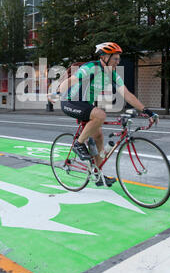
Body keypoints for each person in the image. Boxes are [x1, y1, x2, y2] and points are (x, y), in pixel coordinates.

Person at [59, 42, 158, 186]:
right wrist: (58, 91)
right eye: (115, 58)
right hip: (70, 102)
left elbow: (127, 94)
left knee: (99, 136)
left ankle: (97, 173)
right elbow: (71, 81)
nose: (118, 62)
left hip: (86, 105)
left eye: (119, 59)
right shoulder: (91, 67)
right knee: (100, 115)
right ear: (104, 57)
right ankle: (78, 144)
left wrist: (148, 112)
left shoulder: (112, 74)